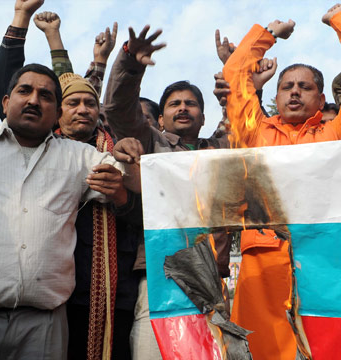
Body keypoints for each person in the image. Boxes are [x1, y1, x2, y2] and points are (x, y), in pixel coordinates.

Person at [220, 4, 341, 358]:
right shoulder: (254, 132)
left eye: (305, 87)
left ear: (321, 99)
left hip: (325, 263)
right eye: (287, 87)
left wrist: (338, 20)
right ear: (274, 99)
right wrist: (269, 33)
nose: (294, 92)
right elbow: (234, 75)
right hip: (262, 266)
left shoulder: (338, 131)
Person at [0, 63, 134, 360]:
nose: (34, 100)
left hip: (46, 324)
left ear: (56, 112)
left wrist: (128, 151)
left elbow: (131, 176)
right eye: (25, 91)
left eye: (46, 96)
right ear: (5, 102)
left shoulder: (78, 157)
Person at [103, 24, 230, 360]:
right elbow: (116, 109)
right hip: (162, 274)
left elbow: (247, 122)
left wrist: (236, 71)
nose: (183, 108)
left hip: (212, 279)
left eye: (191, 103)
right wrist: (130, 65)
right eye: (174, 104)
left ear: (204, 117)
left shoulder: (222, 151)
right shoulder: (151, 144)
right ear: (160, 119)